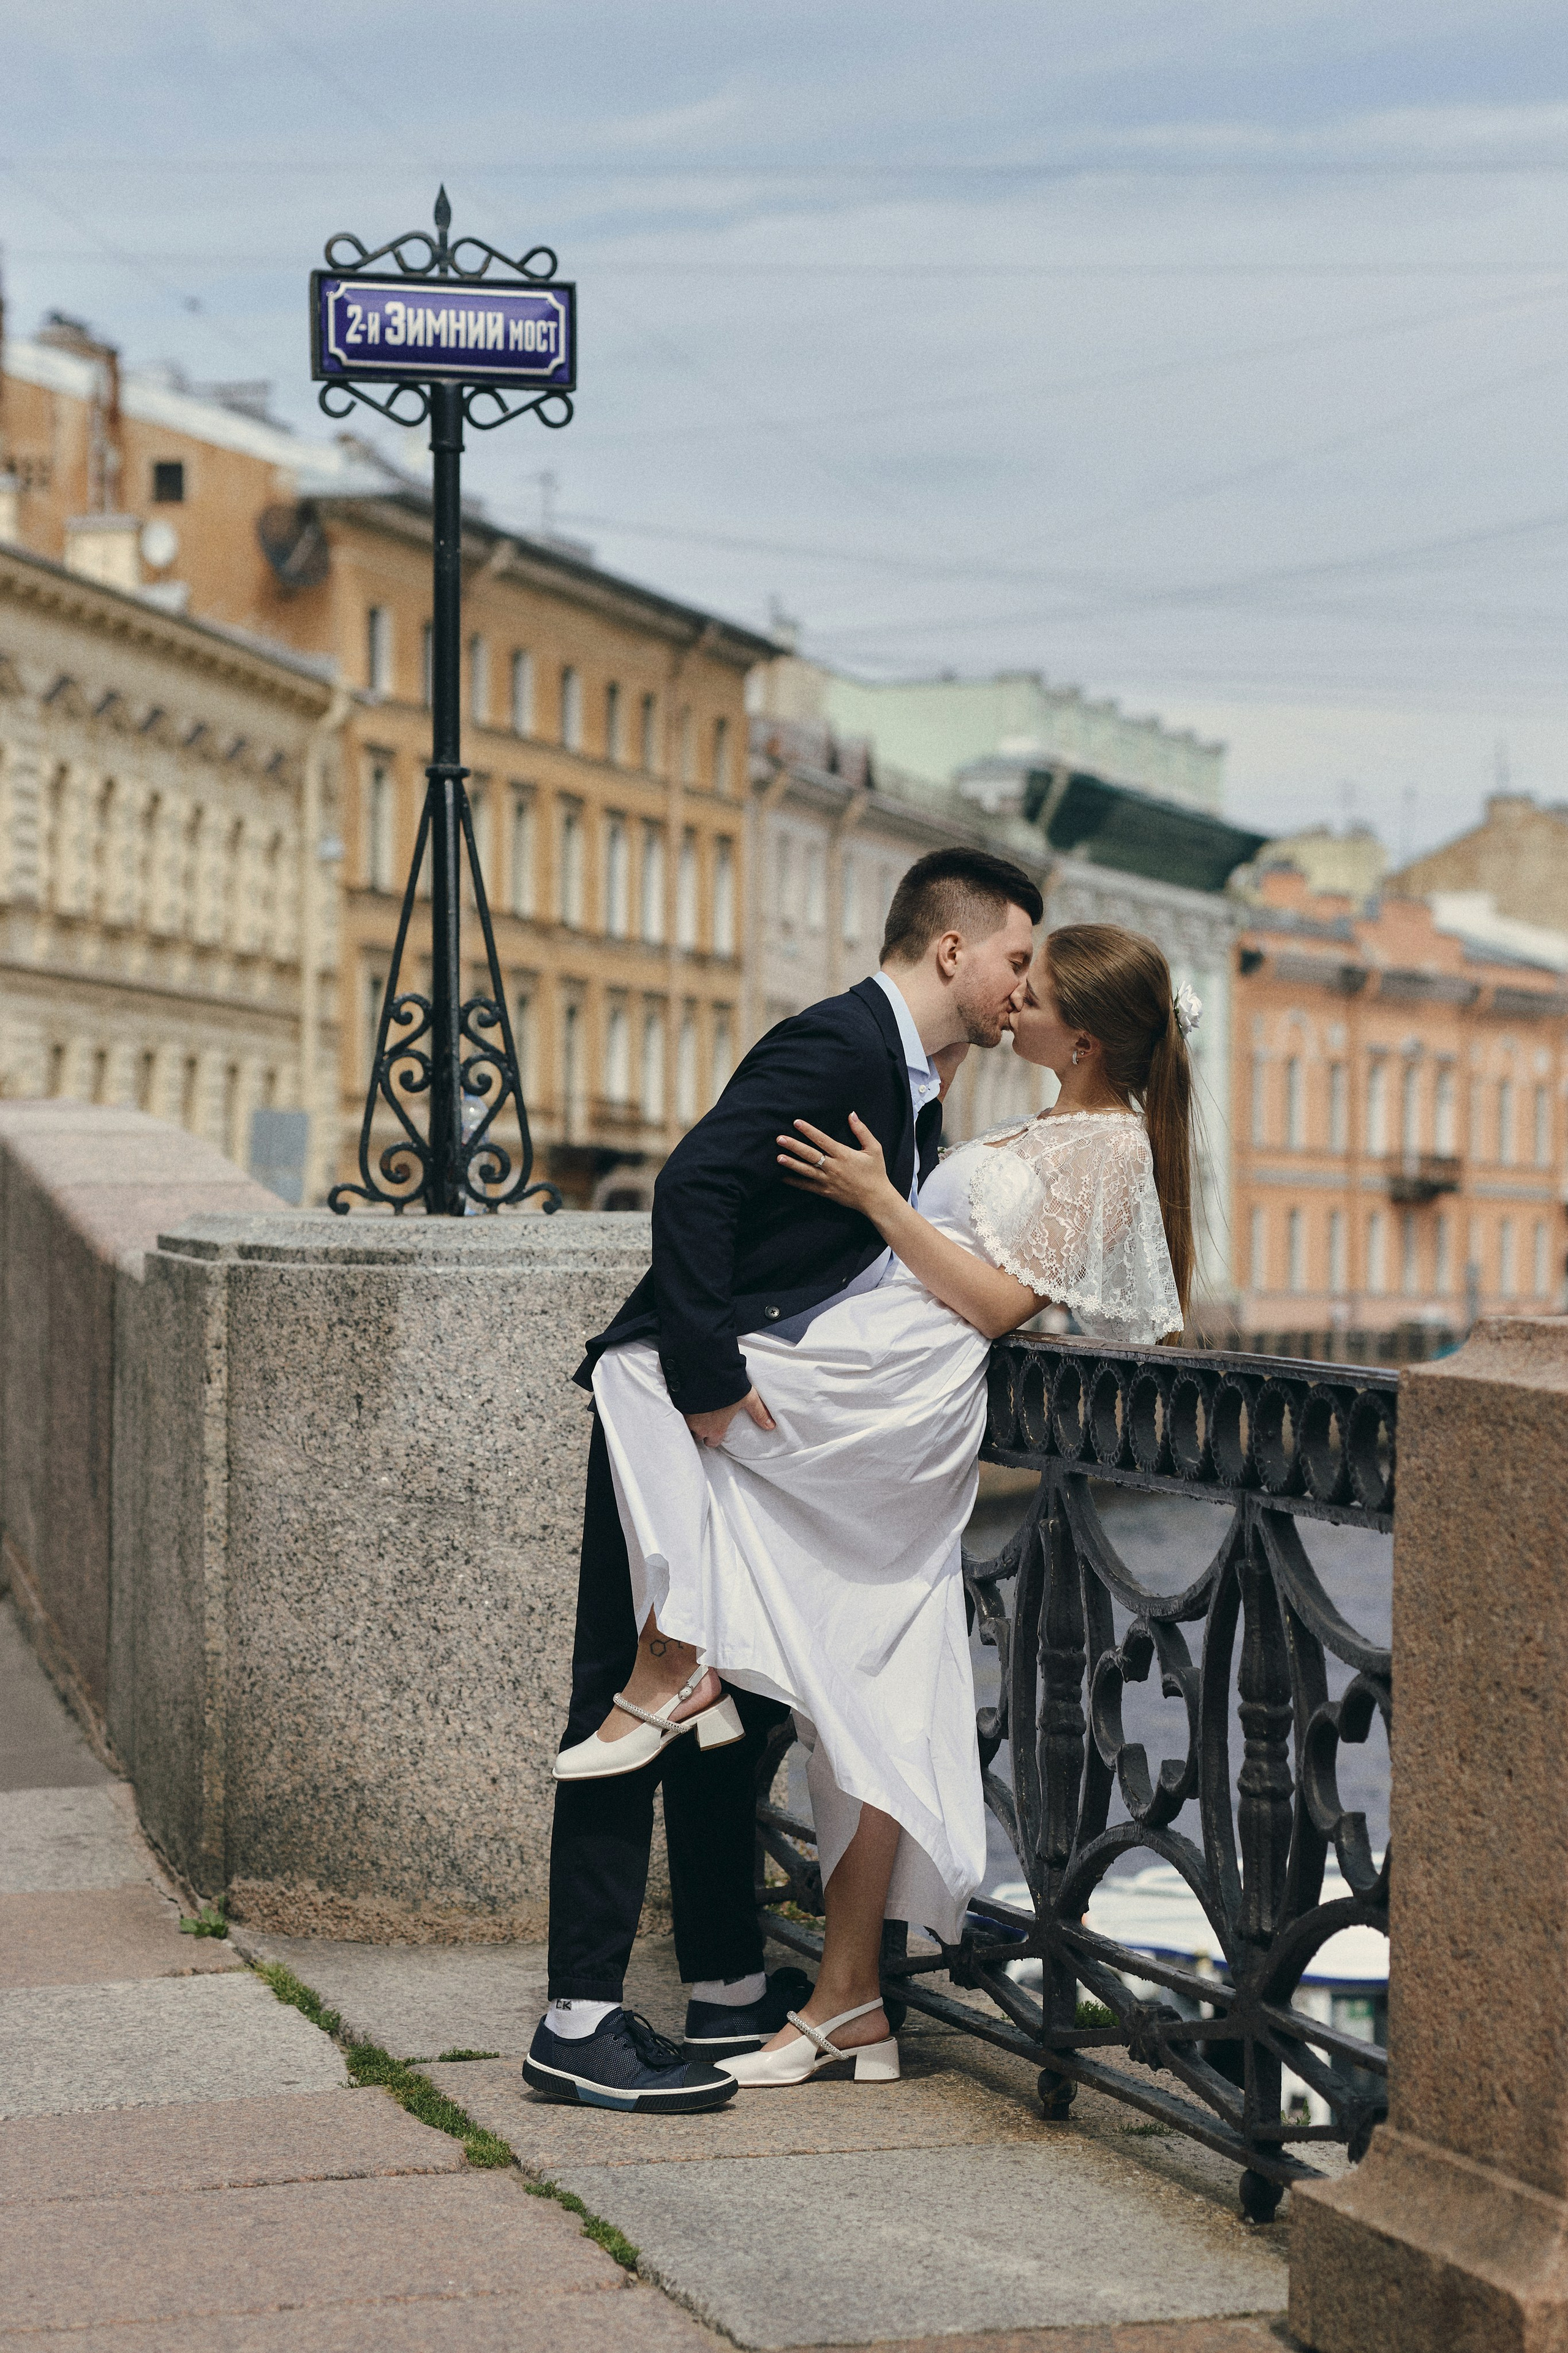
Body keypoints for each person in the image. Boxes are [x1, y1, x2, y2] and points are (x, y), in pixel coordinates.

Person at [525, 848, 1043, 2112]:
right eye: (1016, 959)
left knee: (737, 1698)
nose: (1024, 988)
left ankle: (717, 1984)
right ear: (950, 950)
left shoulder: (916, 1085)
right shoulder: (840, 1048)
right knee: (632, 1689)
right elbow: (693, 1184)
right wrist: (704, 1376)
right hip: (676, 1403)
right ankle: (577, 2017)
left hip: (751, 1424)